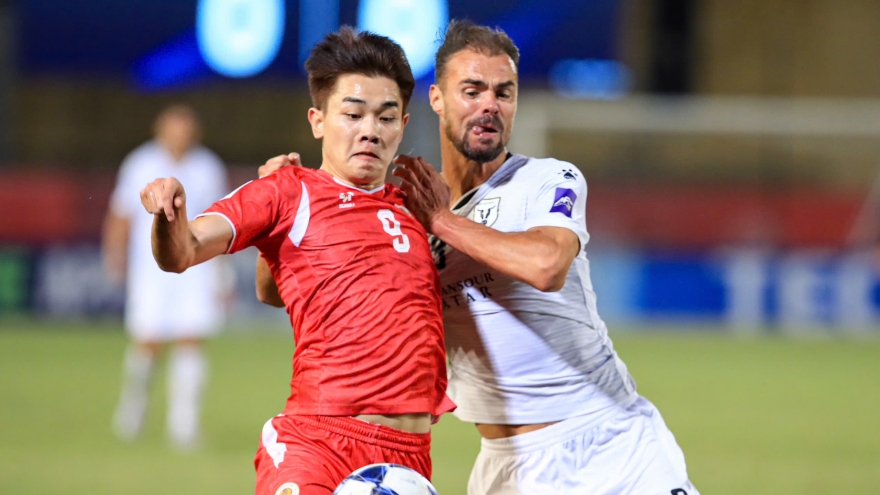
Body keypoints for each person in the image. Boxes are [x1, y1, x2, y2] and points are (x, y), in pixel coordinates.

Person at [257, 20, 699, 494]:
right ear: (436, 99)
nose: (490, 104)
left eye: (504, 92)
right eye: (472, 90)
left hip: (610, 444)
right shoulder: (402, 216)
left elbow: (547, 265)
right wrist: (282, 218)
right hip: (506, 468)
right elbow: (275, 292)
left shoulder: (547, 179)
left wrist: (443, 222)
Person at [138, 28, 453, 495]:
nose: (370, 130)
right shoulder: (288, 190)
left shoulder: (417, 210)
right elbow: (182, 251)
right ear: (318, 121)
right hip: (318, 444)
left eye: (386, 117)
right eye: (353, 114)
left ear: (403, 125)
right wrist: (169, 212)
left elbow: (274, 292)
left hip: (409, 458)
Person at [102, 104, 229, 449]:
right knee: (148, 342)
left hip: (195, 267)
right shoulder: (140, 163)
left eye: (186, 131)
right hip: (150, 270)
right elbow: (121, 214)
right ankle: (133, 411)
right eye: (174, 130)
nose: (180, 137)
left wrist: (222, 273)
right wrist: (114, 255)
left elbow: (221, 222)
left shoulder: (207, 167)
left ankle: (184, 425)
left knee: (191, 339)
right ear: (160, 131)